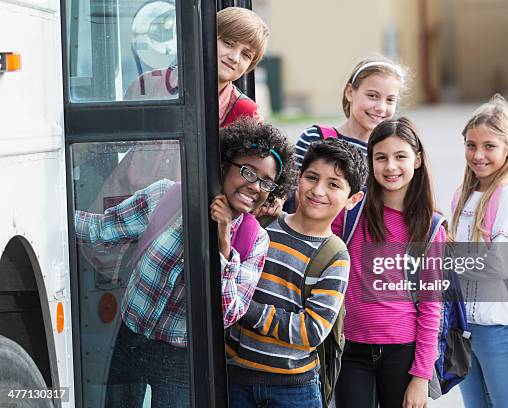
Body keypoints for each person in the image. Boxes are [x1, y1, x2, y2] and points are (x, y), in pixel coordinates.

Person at [74, 119, 296, 407]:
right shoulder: (167, 196)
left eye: (266, 182)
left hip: (180, 358)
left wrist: (223, 245)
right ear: (223, 165)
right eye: (247, 171)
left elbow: (227, 314)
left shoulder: (254, 240)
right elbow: (101, 230)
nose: (255, 186)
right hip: (127, 338)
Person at [225, 138, 367, 408]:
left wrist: (244, 309)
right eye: (312, 177)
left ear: (353, 199)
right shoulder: (262, 225)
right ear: (298, 177)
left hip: (294, 389)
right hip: (236, 378)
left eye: (334, 184)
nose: (318, 190)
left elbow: (312, 331)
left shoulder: (334, 256)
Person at [332, 117, 444, 408]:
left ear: (417, 160)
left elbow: (432, 306)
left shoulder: (430, 228)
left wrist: (421, 377)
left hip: (403, 353)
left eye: (400, 157)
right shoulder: (352, 213)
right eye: (381, 157)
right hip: (351, 347)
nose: (390, 166)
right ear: (371, 162)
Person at [450, 94, 508, 408]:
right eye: (471, 145)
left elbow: (499, 264)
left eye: (489, 146)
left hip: (497, 325)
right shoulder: (464, 195)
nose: (478, 155)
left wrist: (447, 259)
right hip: (464, 326)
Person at [278, 56, 408, 214]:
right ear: (350, 92)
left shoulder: (386, 156)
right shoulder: (316, 136)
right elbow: (289, 189)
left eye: (390, 100)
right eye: (372, 96)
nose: (381, 107)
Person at [126, 6, 269, 127]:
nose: (234, 58)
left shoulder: (246, 113)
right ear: (206, 38)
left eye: (246, 55)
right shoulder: (148, 84)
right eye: (228, 43)